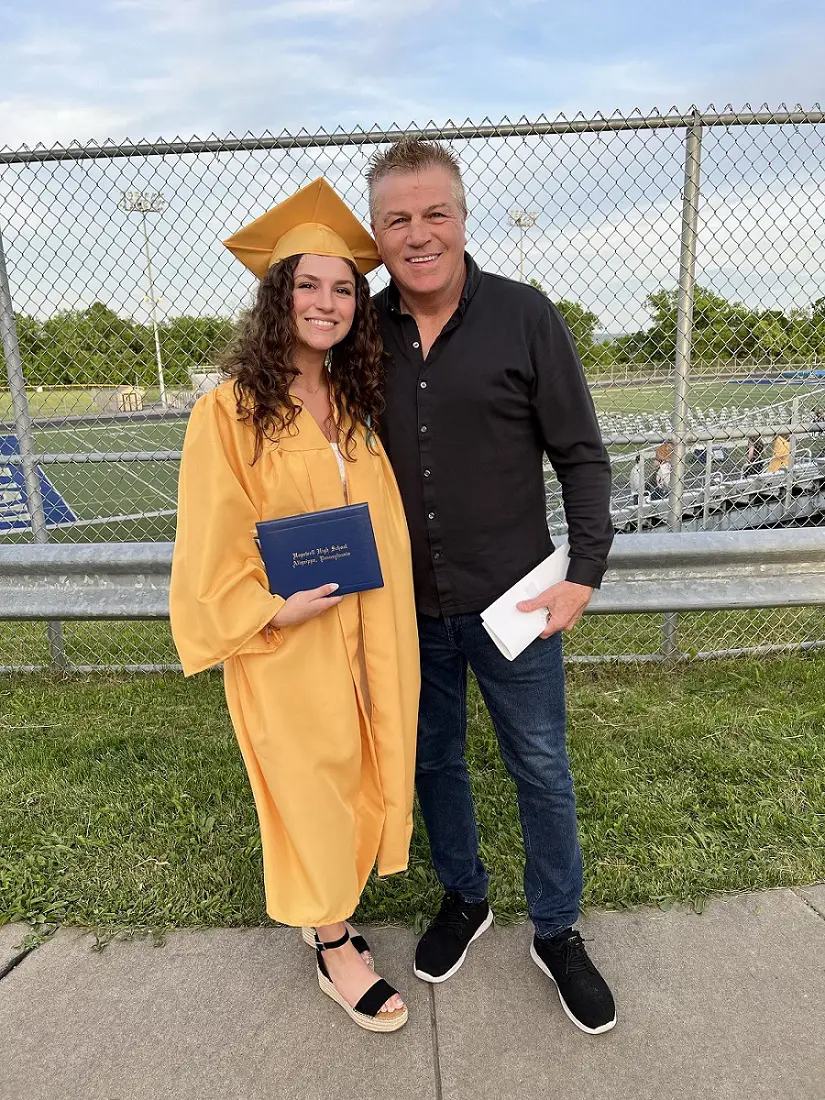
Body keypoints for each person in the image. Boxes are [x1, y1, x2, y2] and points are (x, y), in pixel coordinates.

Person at [366, 139, 617, 1035]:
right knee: (434, 762)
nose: (418, 232)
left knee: (539, 768)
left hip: (514, 601)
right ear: (376, 231)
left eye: (435, 212)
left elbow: (581, 457)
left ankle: (557, 929)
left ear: (463, 218)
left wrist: (582, 573)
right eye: (397, 218)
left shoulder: (523, 316)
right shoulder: (361, 330)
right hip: (404, 606)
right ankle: (463, 897)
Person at [169, 179, 419, 1034]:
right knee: (309, 784)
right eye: (307, 285)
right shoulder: (230, 411)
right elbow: (210, 543)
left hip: (369, 625)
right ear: (277, 299)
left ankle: (340, 907)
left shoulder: (350, 403)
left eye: (343, 287)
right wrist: (272, 610)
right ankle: (333, 944)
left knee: (364, 764)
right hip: (290, 636)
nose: (327, 301)